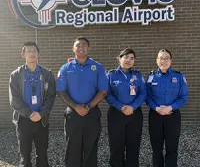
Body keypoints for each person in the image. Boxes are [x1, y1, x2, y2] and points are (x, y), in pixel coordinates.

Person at [56, 36, 108, 167]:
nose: (81, 48)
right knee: (72, 148)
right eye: (78, 45)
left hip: (92, 113)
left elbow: (103, 91)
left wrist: (88, 106)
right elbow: (61, 91)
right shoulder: (65, 68)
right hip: (72, 114)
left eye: (84, 45)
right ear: (73, 49)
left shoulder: (98, 67)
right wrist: (76, 107)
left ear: (89, 48)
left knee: (90, 149)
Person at [9, 41, 56, 167]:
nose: (32, 53)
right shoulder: (16, 75)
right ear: (23, 54)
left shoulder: (47, 74)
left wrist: (41, 113)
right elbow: (14, 99)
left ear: (38, 54)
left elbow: (51, 96)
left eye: (34, 51)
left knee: (42, 154)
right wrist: (30, 113)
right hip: (24, 120)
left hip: (42, 119)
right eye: (28, 51)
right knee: (25, 155)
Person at [146, 49, 188, 167]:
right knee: (156, 148)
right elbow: (147, 96)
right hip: (155, 116)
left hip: (172, 116)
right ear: (157, 60)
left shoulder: (179, 76)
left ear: (171, 60)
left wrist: (170, 107)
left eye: (166, 58)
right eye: (161, 58)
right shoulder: (151, 77)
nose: (164, 60)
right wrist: (156, 108)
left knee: (172, 147)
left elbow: (183, 97)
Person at [106, 48, 146, 167]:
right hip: (116, 114)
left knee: (133, 144)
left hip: (134, 114)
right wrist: (121, 107)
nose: (129, 60)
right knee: (116, 144)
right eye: (126, 57)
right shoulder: (111, 75)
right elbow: (107, 94)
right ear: (119, 58)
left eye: (132, 58)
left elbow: (143, 93)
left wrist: (132, 107)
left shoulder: (138, 75)